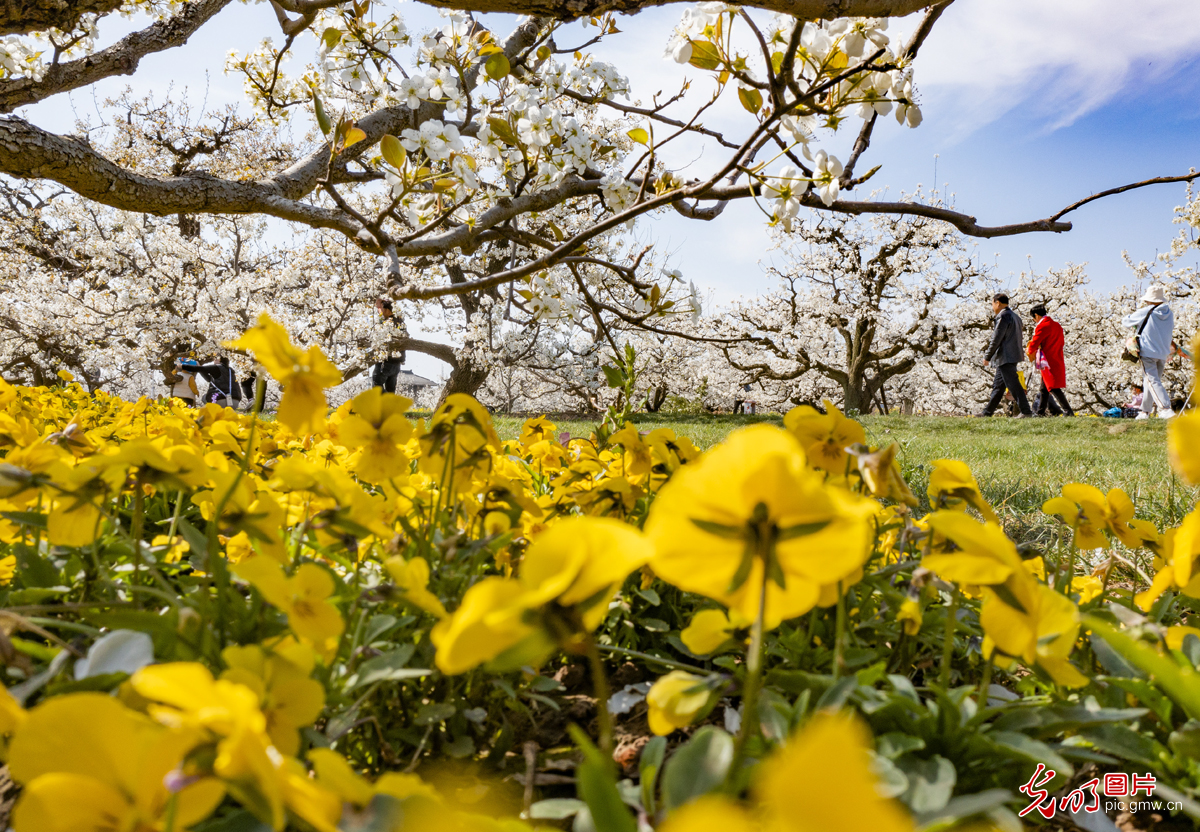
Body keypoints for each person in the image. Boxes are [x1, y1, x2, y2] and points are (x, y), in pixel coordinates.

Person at [1122, 284, 1175, 419]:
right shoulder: (1169, 313)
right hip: (1163, 353)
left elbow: (1126, 321)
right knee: (1150, 381)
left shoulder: (1147, 310)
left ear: (1150, 299)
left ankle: (1165, 408)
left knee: (1152, 381)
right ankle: (1144, 411)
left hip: (1148, 351)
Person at [978, 293, 1032, 418]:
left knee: (1013, 384)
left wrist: (987, 356)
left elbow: (997, 338)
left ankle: (1026, 411)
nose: (992, 307)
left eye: (992, 304)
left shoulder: (1003, 316)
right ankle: (987, 412)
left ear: (998, 303)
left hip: (1005, 356)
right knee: (998, 386)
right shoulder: (1016, 316)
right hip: (1013, 354)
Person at [1025, 305, 1074, 417]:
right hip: (1056, 357)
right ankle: (1040, 412)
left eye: (1034, 318)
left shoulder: (1042, 325)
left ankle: (1068, 411)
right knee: (1044, 388)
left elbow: (1035, 341)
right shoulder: (1057, 325)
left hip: (1046, 360)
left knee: (1053, 386)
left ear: (1036, 315)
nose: (1034, 320)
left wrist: (1029, 350)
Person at [370, 299, 406, 394]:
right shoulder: (400, 321)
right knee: (391, 390)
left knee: (376, 387)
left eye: (381, 308)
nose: (379, 311)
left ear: (386, 310)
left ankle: (389, 401)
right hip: (396, 363)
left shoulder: (386, 323)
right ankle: (390, 405)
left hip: (385, 362)